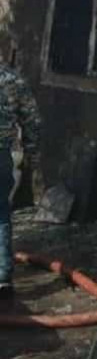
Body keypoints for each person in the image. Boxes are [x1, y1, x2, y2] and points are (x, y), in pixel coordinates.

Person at [0, 63, 41, 301]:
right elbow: (32, 120)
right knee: (1, 214)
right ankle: (2, 278)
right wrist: (31, 156)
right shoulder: (12, 79)